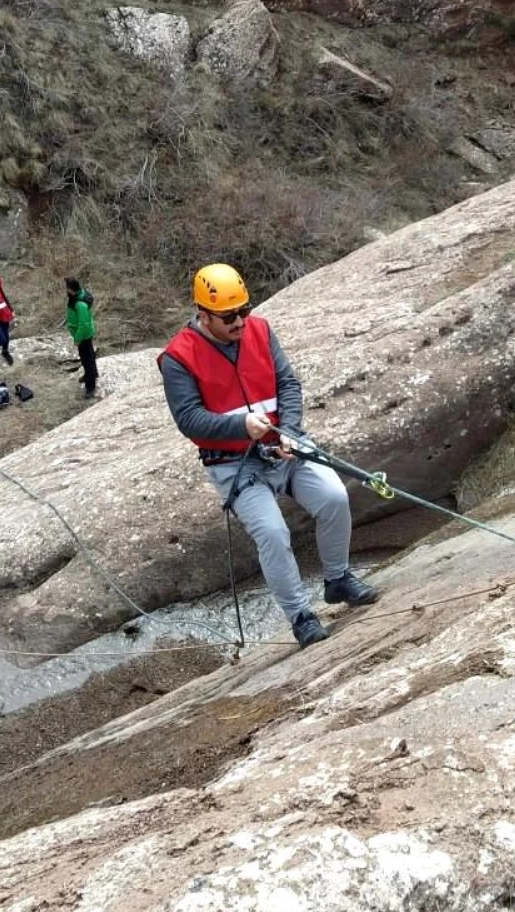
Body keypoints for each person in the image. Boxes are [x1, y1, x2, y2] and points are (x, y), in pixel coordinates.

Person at [159, 263, 379, 647]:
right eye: (229, 316)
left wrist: (290, 432)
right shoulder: (179, 358)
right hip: (234, 462)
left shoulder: (260, 331)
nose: (240, 321)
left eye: (244, 310)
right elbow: (190, 420)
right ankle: (300, 616)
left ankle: (338, 579)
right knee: (273, 534)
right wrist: (241, 426)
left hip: (284, 446)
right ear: (203, 314)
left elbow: (287, 384)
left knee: (334, 498)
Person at [65, 277, 98, 398]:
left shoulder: (80, 303)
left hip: (83, 335)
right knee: (88, 356)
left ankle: (90, 387)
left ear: (71, 289)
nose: (66, 290)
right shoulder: (79, 295)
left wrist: (77, 339)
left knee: (87, 360)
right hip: (83, 334)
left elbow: (83, 324)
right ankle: (93, 374)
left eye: (67, 288)